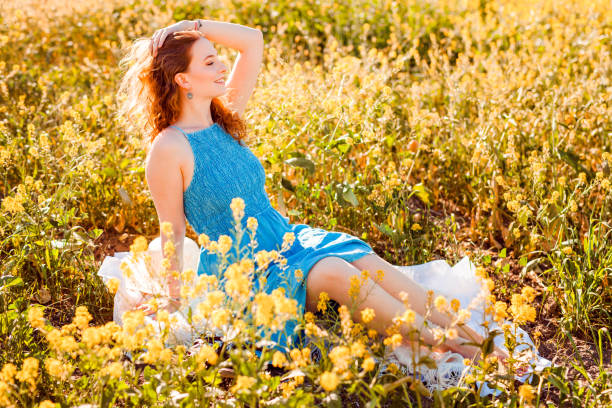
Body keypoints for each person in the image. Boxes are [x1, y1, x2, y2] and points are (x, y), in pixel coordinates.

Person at [114, 18, 511, 367]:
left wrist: (193, 25)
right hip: (244, 272)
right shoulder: (168, 147)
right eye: (209, 61)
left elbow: (252, 40)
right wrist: (173, 299)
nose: (221, 66)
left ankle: (480, 340)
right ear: (183, 80)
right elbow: (172, 231)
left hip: (286, 239)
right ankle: (455, 347)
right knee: (337, 272)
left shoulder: (224, 114)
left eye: (218, 57)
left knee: (361, 258)